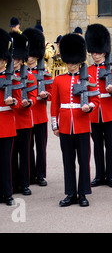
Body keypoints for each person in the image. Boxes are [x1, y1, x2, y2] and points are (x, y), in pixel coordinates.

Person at [51, 33, 99, 207]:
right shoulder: (58, 80)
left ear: (79, 61)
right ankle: (70, 193)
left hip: (82, 124)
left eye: (73, 62)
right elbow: (55, 105)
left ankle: (83, 193)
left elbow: (96, 100)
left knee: (83, 160)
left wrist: (90, 107)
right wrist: (55, 125)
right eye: (68, 62)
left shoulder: (88, 79)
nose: (71, 65)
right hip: (64, 126)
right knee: (68, 161)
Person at [85, 24, 112, 188]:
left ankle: (110, 175)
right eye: (93, 53)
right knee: (97, 144)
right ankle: (99, 174)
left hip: (108, 111)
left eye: (98, 53)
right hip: (93, 112)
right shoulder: (88, 70)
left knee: (110, 144)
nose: (95, 55)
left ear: (104, 52)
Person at [23, 27, 52, 187]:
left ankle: (40, 174)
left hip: (40, 115)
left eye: (33, 55)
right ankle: (29, 173)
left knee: (41, 147)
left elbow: (52, 92)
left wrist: (46, 96)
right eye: (28, 55)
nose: (30, 58)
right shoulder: (20, 73)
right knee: (27, 147)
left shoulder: (45, 72)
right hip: (26, 115)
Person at [10, 31, 37, 196]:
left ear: (21, 60)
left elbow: (33, 95)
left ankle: (25, 183)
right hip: (11, 120)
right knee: (12, 155)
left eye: (15, 59)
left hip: (24, 119)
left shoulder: (29, 76)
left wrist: (29, 103)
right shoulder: (6, 76)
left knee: (25, 153)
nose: (13, 62)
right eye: (11, 59)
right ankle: (13, 183)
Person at [0, 29, 21, 206]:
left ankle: (7, 193)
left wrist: (12, 101)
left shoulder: (12, 79)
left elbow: (19, 102)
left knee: (6, 161)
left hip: (6, 123)